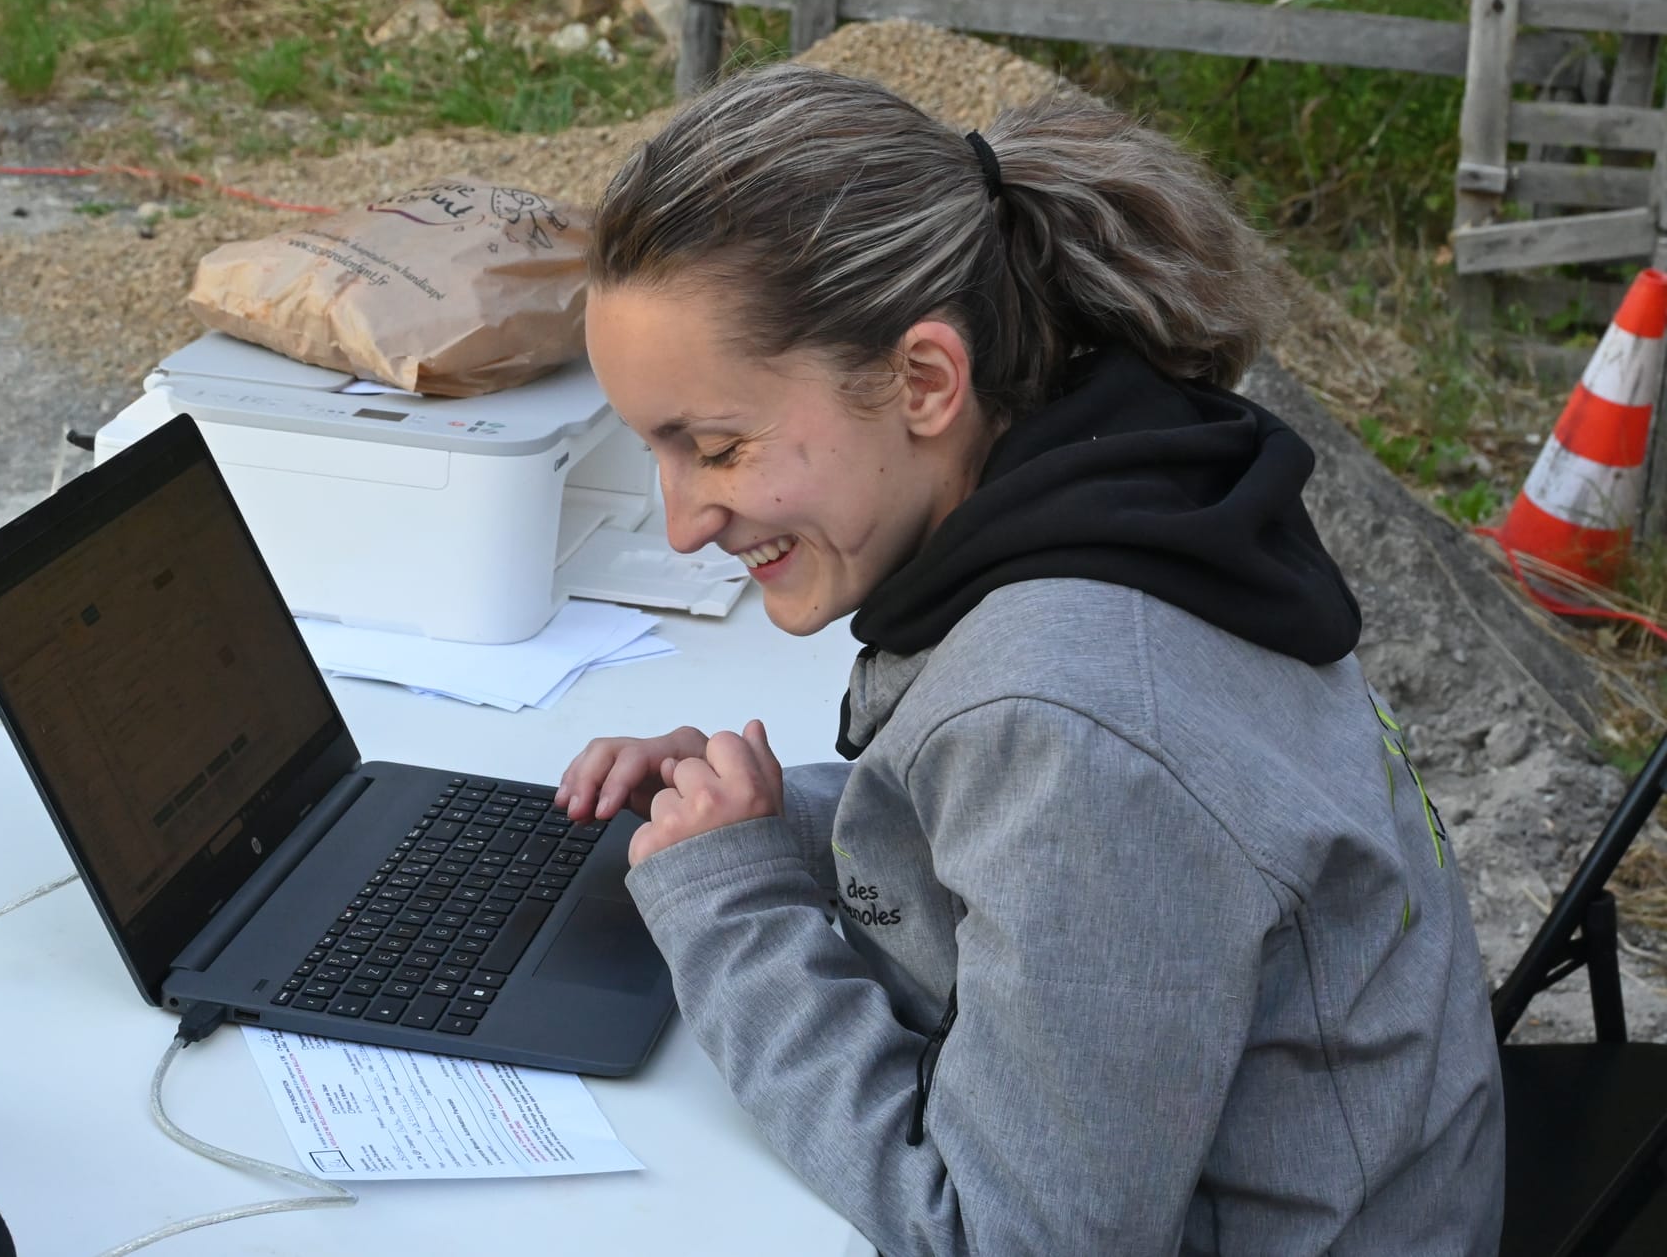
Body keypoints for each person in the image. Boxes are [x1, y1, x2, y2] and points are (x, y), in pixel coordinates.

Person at [557, 64, 1505, 1256]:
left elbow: (1011, 1238)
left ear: (922, 380)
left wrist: (732, 910)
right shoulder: (1130, 483)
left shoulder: (1075, 714)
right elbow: (1063, 854)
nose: (683, 519)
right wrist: (758, 822)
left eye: (715, 447)